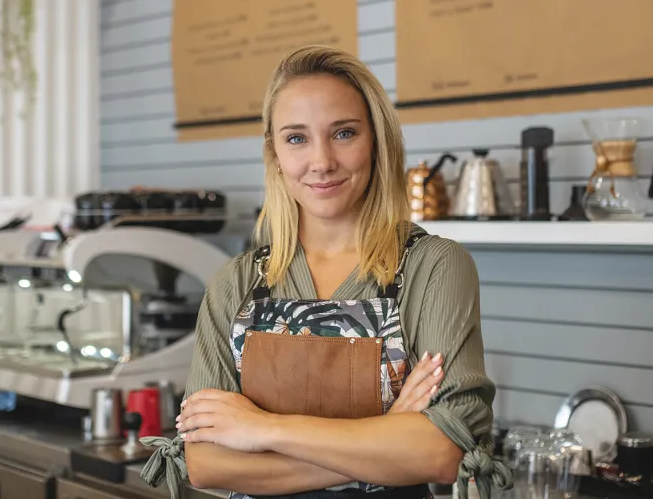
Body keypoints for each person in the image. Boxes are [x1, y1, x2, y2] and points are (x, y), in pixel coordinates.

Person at [140, 45, 507, 499]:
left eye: (344, 133)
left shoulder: (432, 267)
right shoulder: (237, 283)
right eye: (296, 138)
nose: (321, 161)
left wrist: (264, 430)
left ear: (377, 140)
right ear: (274, 154)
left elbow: (439, 452)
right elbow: (206, 463)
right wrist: (386, 437)